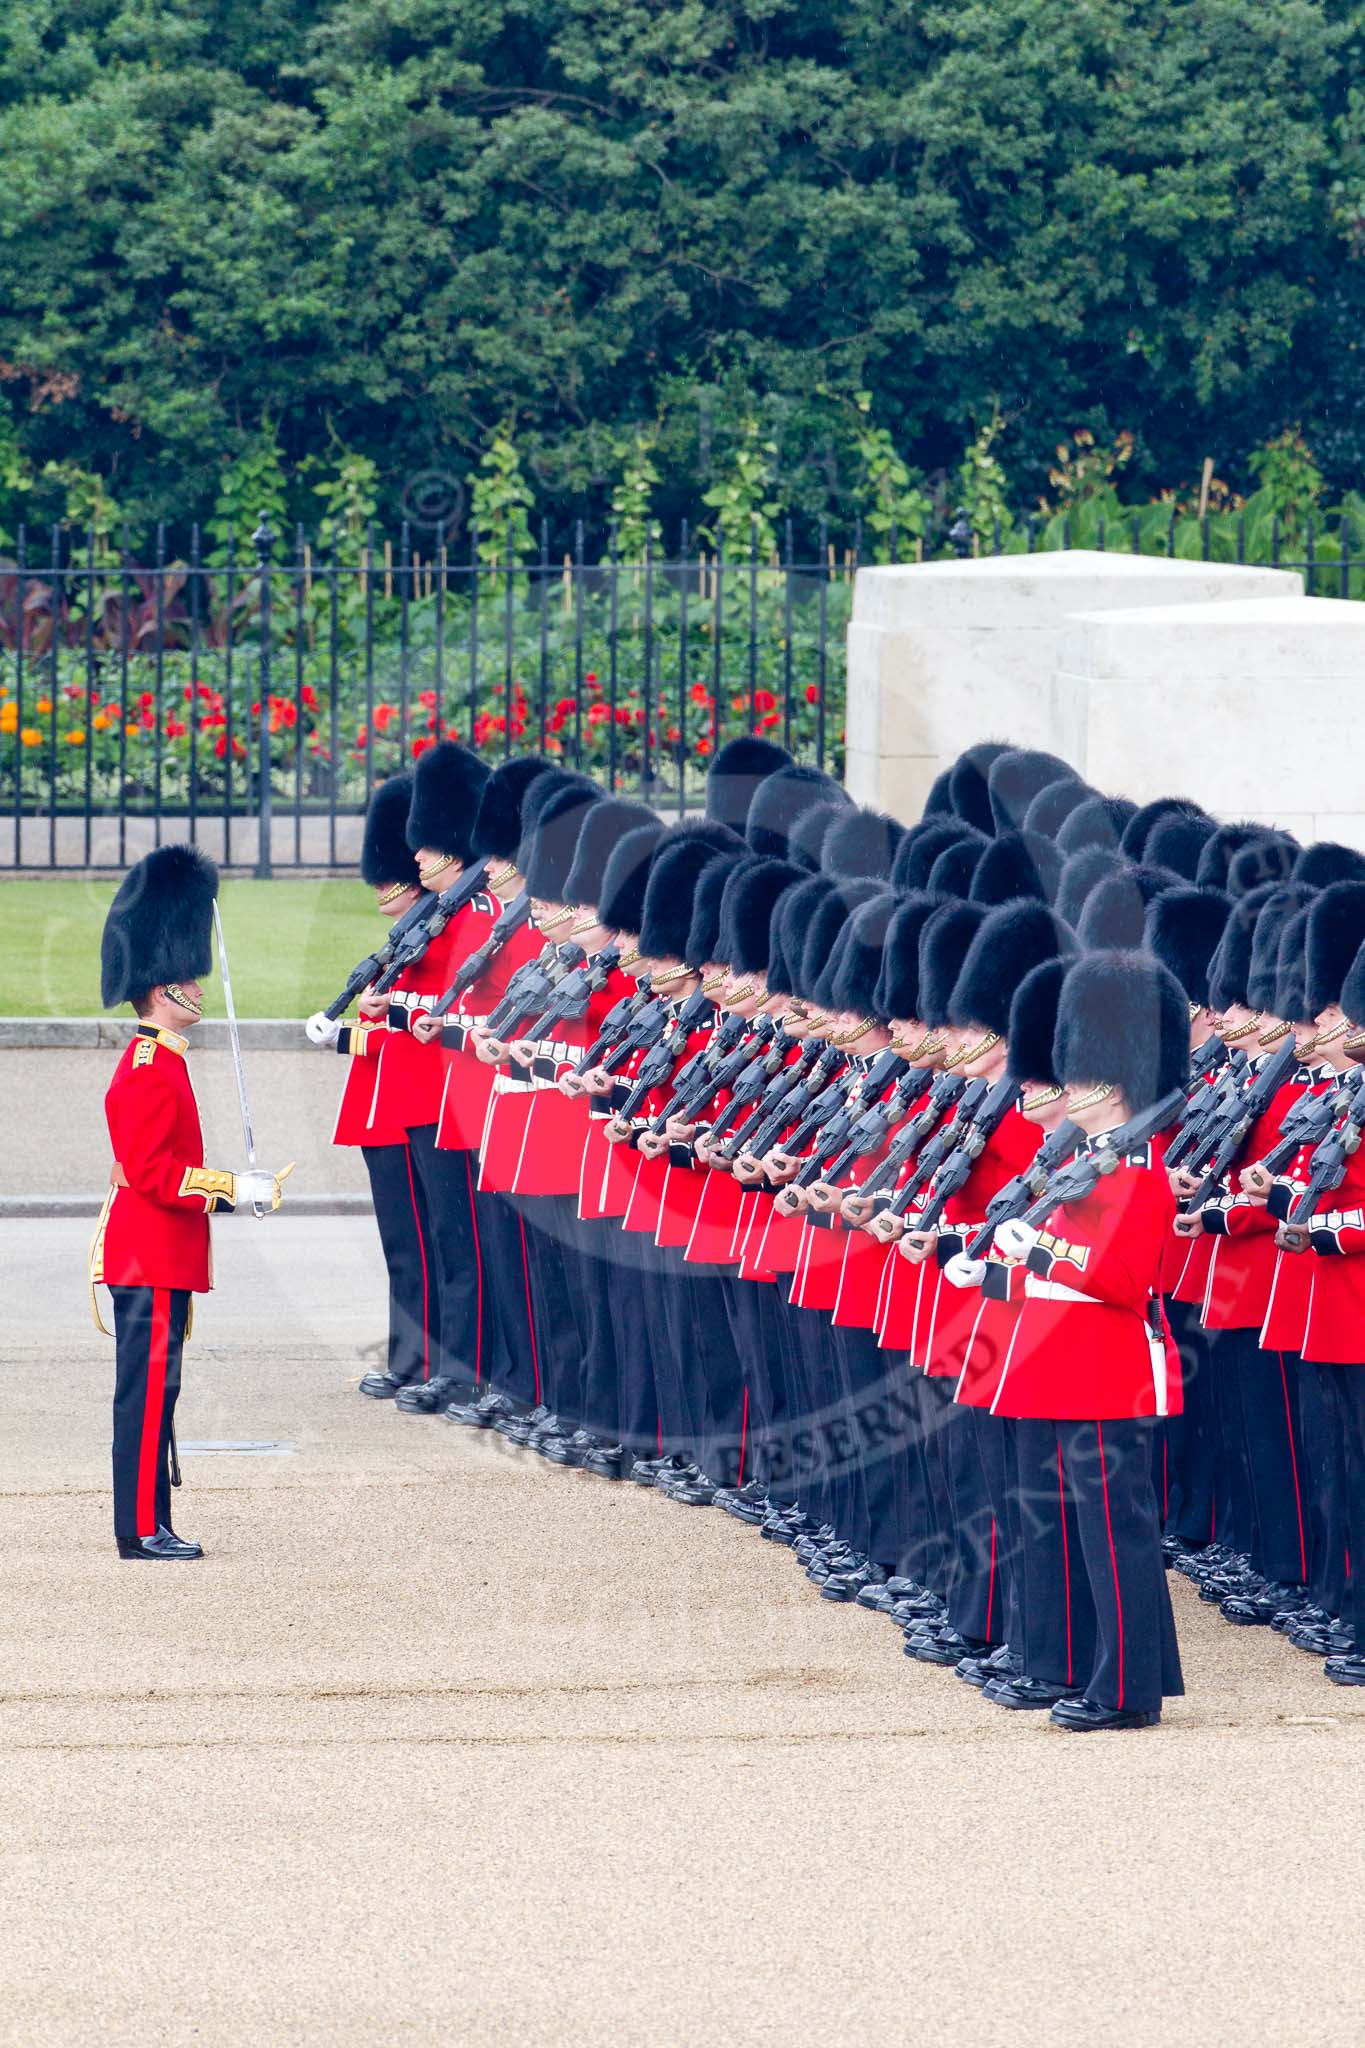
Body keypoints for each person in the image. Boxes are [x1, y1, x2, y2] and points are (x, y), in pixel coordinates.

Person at [93, 844, 291, 1559]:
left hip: (161, 1254)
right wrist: (233, 1190)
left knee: (159, 1395)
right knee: (146, 1398)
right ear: (160, 990)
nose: (198, 990)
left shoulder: (164, 1062)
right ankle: (139, 1528)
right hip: (147, 1253)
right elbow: (154, 1174)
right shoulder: (148, 1067)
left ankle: (152, 1521)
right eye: (185, 981)